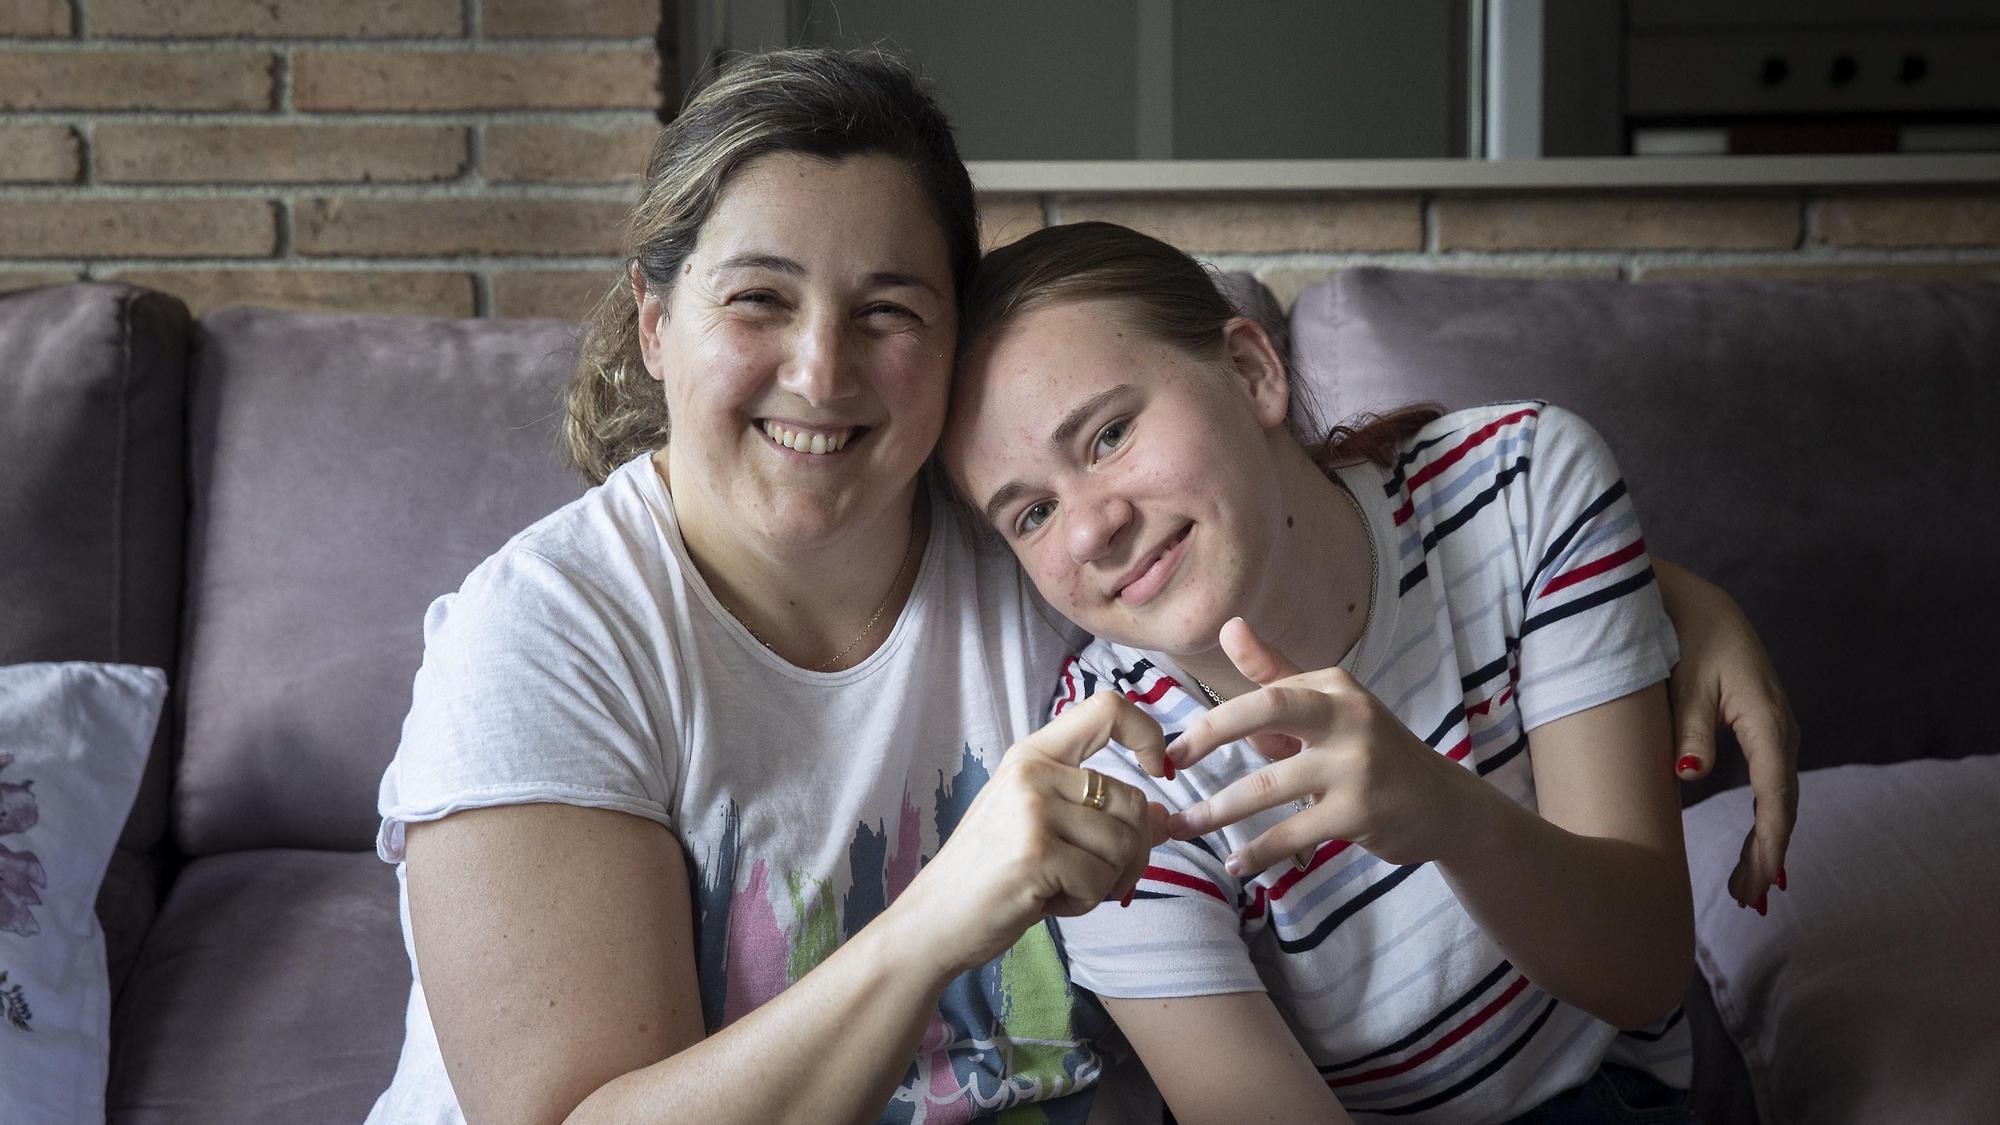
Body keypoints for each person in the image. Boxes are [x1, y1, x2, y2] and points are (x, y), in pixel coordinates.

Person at [368, 48, 1795, 1125]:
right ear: (655, 318)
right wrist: (940, 912)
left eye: (888, 311)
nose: (823, 372)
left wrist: (1664, 605)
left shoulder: (1016, 547)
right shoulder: (546, 641)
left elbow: (1289, 519)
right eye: (758, 299)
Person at [940, 221, 1769, 1122]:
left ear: (1253, 372)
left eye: (1108, 434)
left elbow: (1644, 974)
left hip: (1601, 1089)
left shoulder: (1525, 485)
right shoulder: (1108, 768)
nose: (1090, 530)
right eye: (1029, 515)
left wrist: (1450, 815)